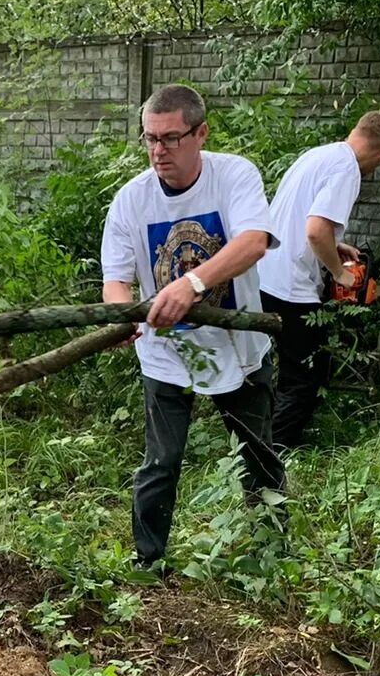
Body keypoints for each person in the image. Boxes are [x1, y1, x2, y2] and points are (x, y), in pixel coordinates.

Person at [100, 83, 283, 574]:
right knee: (161, 461)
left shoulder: (233, 176)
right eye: (150, 139)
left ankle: (271, 554)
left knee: (257, 452)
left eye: (171, 138)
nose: (158, 151)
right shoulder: (131, 201)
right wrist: (122, 316)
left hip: (239, 341)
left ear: (201, 133)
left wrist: (193, 283)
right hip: (166, 353)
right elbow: (115, 280)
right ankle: (148, 563)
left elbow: (254, 240)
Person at [258, 111, 380, 449]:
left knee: (269, 369)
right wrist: (340, 273)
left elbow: (297, 218)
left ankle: (256, 444)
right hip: (291, 287)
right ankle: (272, 458)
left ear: (356, 131)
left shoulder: (320, 154)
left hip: (264, 274)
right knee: (306, 377)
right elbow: (314, 229)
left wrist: (334, 245)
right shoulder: (346, 170)